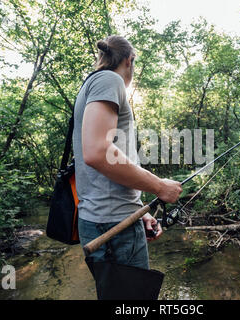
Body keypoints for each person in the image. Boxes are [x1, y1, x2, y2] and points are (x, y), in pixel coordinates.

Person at [72, 35, 182, 278]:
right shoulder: (110, 80)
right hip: (112, 226)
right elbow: (97, 152)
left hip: (111, 220)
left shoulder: (92, 84)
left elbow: (105, 164)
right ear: (129, 60)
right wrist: (160, 186)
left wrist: (138, 211)